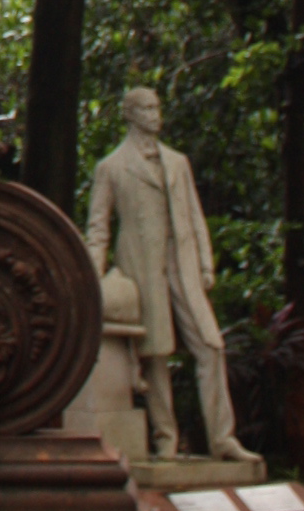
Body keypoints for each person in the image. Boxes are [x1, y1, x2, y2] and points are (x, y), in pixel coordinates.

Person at [85, 86, 257, 464]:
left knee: (212, 345)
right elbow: (98, 229)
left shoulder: (177, 162)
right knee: (156, 353)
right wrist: (93, 279)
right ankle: (166, 438)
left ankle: (223, 438)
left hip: (183, 265)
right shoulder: (111, 167)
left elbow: (194, 216)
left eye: (157, 107)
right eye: (146, 108)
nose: (155, 115)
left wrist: (206, 263)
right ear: (130, 114)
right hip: (141, 266)